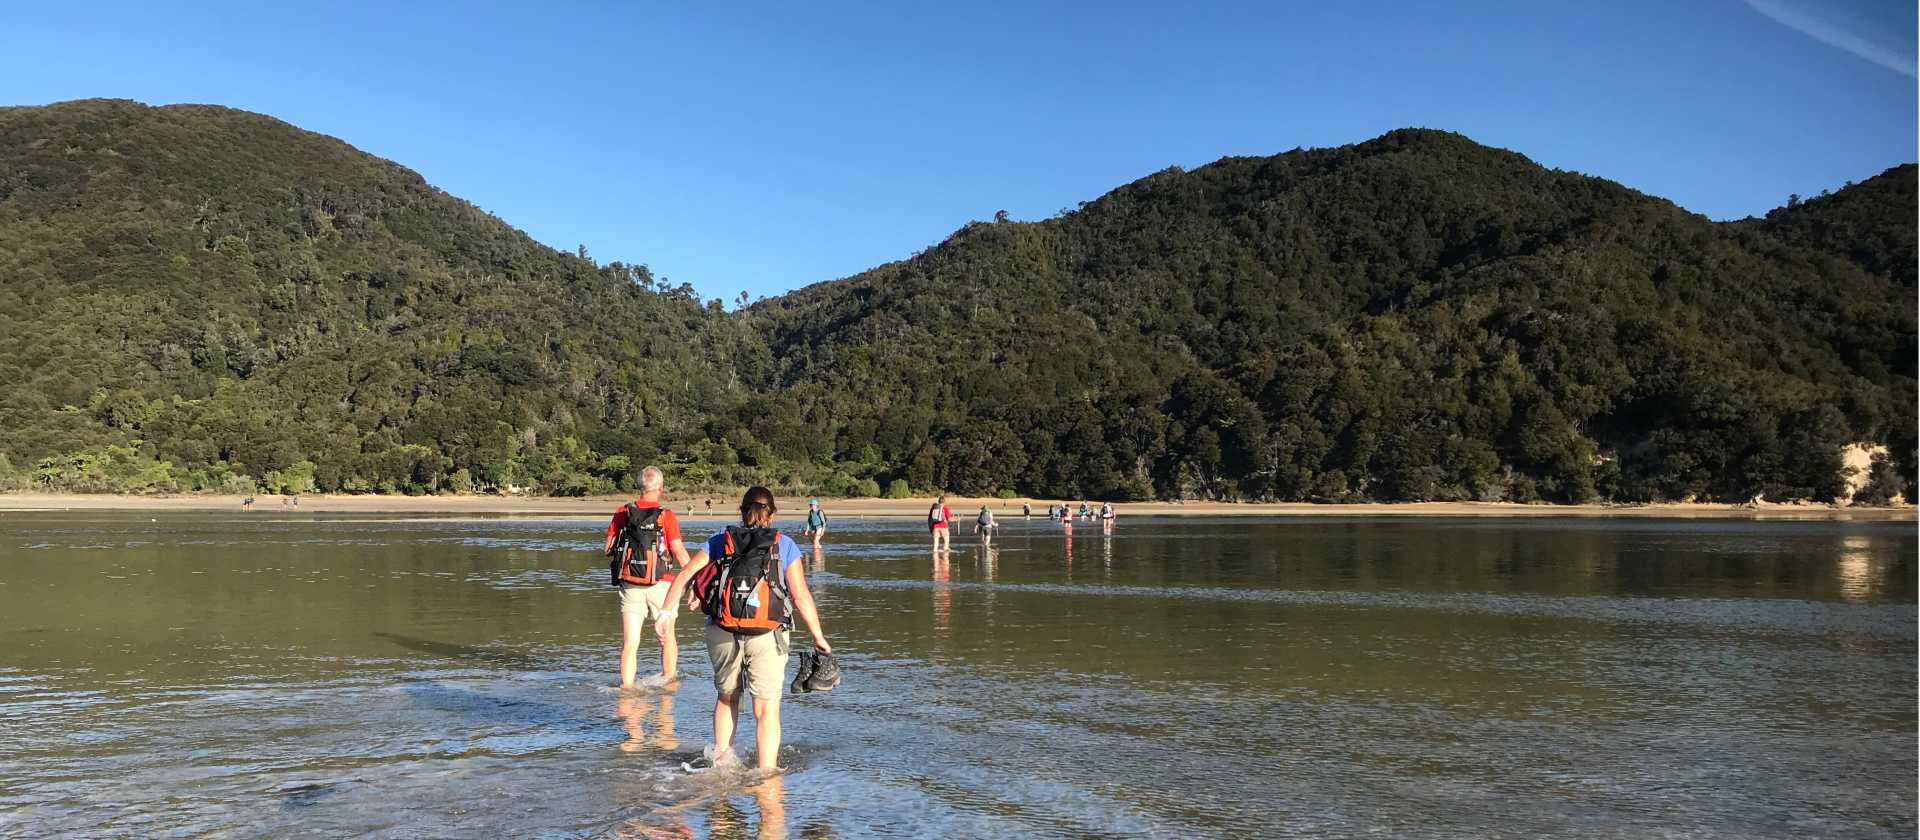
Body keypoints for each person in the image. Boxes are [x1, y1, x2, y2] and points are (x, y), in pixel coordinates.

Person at [655, 486, 831, 772]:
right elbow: (800, 596)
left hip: (722, 631)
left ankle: (722, 763)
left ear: (742, 511)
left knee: (727, 697)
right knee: (766, 708)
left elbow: (685, 574)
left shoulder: (720, 540)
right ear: (772, 514)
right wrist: (819, 638)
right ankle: (767, 775)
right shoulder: (784, 545)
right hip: (768, 634)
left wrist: (665, 614)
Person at [604, 466, 692, 688]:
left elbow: (608, 549)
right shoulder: (666, 516)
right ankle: (669, 685)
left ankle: (626, 688)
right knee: (667, 637)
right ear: (660, 488)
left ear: (639, 487)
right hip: (662, 584)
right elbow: (679, 552)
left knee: (631, 643)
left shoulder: (623, 512)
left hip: (631, 583)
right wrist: (694, 580)